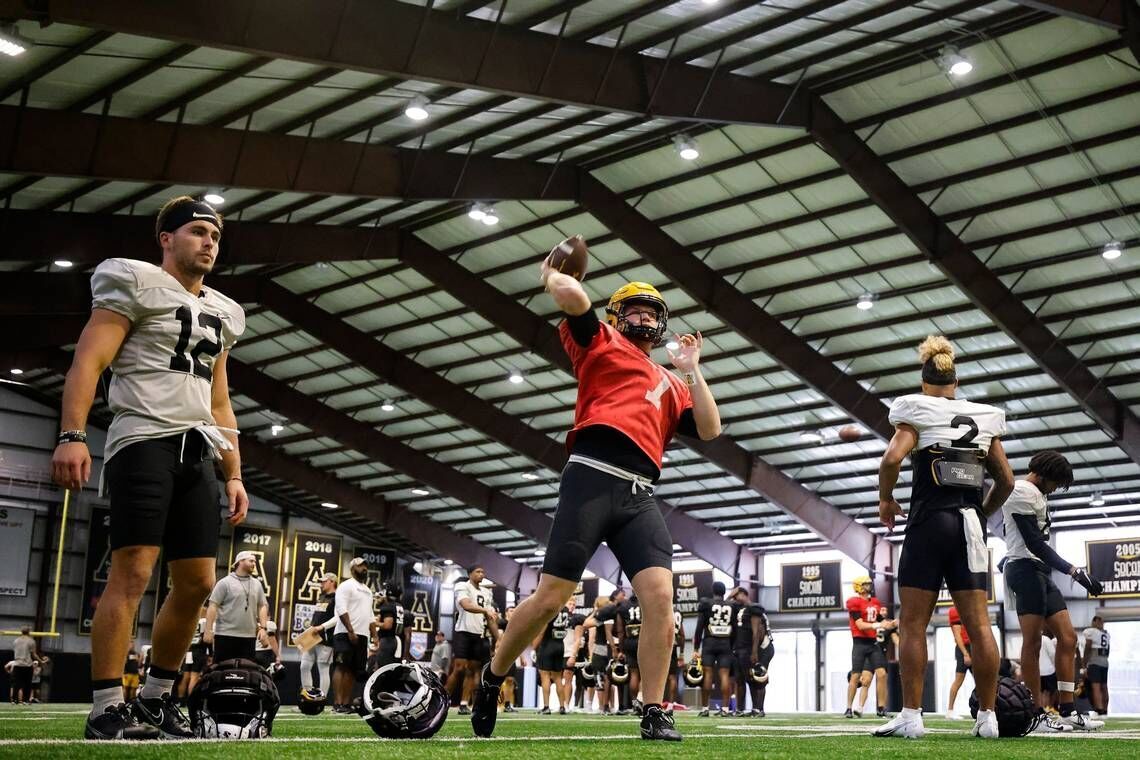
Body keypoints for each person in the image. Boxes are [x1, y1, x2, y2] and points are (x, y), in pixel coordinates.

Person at [471, 266, 721, 742]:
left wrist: (692, 369)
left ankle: (653, 709)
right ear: (617, 315)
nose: (645, 317)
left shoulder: (672, 381)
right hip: (591, 476)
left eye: (652, 311)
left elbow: (710, 429)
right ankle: (492, 678)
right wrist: (553, 273)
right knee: (551, 599)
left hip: (640, 493)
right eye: (636, 309)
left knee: (661, 600)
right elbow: (569, 294)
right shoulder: (600, 341)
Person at [51, 195, 247, 740]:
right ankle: (107, 707)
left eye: (216, 236)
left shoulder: (225, 312)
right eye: (198, 232)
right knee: (134, 571)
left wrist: (233, 471)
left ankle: (158, 698)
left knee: (197, 582)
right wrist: (72, 434)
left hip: (198, 449)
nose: (209, 243)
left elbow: (221, 400)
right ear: (166, 238)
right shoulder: (133, 281)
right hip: (144, 440)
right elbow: (89, 359)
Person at [874, 336, 1014, 740]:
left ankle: (912, 716)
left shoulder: (914, 411)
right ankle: (988, 718)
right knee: (980, 625)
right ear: (955, 382)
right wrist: (980, 514)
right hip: (970, 526)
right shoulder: (983, 417)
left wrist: (886, 499)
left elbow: (891, 459)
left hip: (929, 521)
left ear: (924, 383)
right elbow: (1005, 480)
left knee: (914, 623)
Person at [1002, 451, 1104, 731]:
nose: (1057, 488)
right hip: (1024, 568)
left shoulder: (1037, 494)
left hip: (1039, 571)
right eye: (1057, 482)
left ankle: (1068, 709)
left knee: (1068, 638)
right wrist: (1075, 571)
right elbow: (1035, 544)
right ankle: (1036, 714)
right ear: (1045, 474)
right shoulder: (1020, 491)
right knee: (1032, 643)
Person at [204, 551, 269, 663]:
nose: (254, 563)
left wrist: (263, 628)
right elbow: (213, 606)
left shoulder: (257, 584)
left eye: (255, 561)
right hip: (225, 635)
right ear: (240, 561)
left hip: (248, 637)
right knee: (222, 669)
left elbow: (262, 606)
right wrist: (208, 630)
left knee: (245, 671)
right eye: (251, 560)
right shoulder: (225, 583)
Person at [448, 566, 497, 715]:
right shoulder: (463, 586)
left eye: (483, 572)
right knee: (459, 668)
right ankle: (442, 698)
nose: (481, 574)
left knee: (473, 671)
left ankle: (464, 703)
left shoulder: (486, 592)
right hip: (463, 632)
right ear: (470, 574)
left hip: (478, 635)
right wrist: (485, 610)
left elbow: (490, 619)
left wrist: (499, 638)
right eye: (478, 571)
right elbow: (466, 605)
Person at [332, 557, 374, 712]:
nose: (364, 568)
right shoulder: (346, 586)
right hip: (345, 633)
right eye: (360, 566)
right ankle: (337, 703)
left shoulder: (368, 591)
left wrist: (374, 635)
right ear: (352, 569)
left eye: (365, 566)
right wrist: (350, 631)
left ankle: (346, 703)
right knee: (341, 667)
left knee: (353, 670)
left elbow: (370, 615)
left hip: (362, 636)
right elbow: (341, 609)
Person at [844, 576, 890, 718]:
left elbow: (881, 621)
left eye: (869, 584)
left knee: (882, 674)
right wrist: (878, 625)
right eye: (866, 584)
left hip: (872, 643)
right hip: (859, 643)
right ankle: (849, 708)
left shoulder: (875, 602)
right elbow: (860, 625)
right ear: (859, 586)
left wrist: (892, 623)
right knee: (856, 676)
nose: (869, 586)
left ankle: (881, 707)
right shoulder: (854, 602)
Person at [730, 586, 772, 717]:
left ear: (743, 594)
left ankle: (759, 709)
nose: (734, 599)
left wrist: (754, 652)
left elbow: (757, 632)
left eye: (736, 595)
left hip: (762, 647)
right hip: (748, 648)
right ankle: (748, 709)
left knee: (758, 678)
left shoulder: (754, 608)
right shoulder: (742, 609)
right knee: (744, 679)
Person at [694, 581, 735, 717]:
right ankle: (725, 709)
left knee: (708, 675)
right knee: (724, 676)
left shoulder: (706, 604)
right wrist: (732, 645)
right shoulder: (731, 605)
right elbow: (734, 628)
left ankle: (705, 708)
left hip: (709, 642)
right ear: (724, 592)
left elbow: (699, 626)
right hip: (725, 642)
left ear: (713, 591)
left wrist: (696, 647)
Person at [857, 602, 898, 719]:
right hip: (868, 655)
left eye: (885, 610)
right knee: (866, 681)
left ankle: (881, 707)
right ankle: (859, 707)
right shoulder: (871, 623)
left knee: (882, 678)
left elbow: (895, 639)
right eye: (882, 610)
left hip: (880, 655)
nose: (884, 612)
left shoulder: (889, 624)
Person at [533, 598, 574, 714]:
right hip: (560, 645)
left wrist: (535, 645)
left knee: (545, 676)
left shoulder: (552, 607)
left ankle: (546, 707)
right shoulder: (565, 609)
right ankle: (562, 707)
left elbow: (543, 628)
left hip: (548, 644)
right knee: (557, 678)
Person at [299, 573, 338, 694]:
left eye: (324, 581)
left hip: (326, 637)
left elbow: (337, 618)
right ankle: (308, 696)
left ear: (332, 582)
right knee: (304, 666)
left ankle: (322, 699)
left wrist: (322, 627)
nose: (321, 584)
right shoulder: (321, 596)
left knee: (323, 668)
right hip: (312, 635)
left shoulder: (337, 598)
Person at [373, 582, 409, 668]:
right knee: (391, 668)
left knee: (382, 669)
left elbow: (387, 625)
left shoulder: (388, 606)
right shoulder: (398, 606)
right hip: (396, 640)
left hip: (387, 641)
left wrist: (374, 623)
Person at [945, 606, 971, 719]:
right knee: (959, 680)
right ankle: (950, 710)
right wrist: (965, 653)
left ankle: (985, 708)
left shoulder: (970, 608)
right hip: (964, 648)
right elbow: (957, 635)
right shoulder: (955, 611)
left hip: (973, 647)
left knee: (981, 681)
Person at [1081, 615, 1110, 716]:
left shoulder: (1091, 631)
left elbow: (1088, 646)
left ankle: (1099, 708)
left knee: (1096, 687)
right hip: (1105, 661)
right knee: (1104, 686)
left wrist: (1084, 663)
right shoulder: (1106, 634)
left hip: (1095, 661)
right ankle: (1105, 709)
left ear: (1094, 622)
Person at [10, 627, 41, 705]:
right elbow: (34, 654)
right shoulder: (31, 641)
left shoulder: (16, 641)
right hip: (27, 665)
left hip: (17, 664)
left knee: (16, 683)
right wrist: (41, 661)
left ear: (21, 632)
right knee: (27, 683)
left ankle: (14, 700)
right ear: (29, 632)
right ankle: (25, 700)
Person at [1040, 631, 1058, 712]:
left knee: (1039, 692)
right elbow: (1052, 654)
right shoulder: (1046, 639)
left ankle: (1041, 709)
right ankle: (1047, 709)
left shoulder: (1028, 639)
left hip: (1035, 671)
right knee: (1047, 692)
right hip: (1048, 670)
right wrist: (1055, 665)